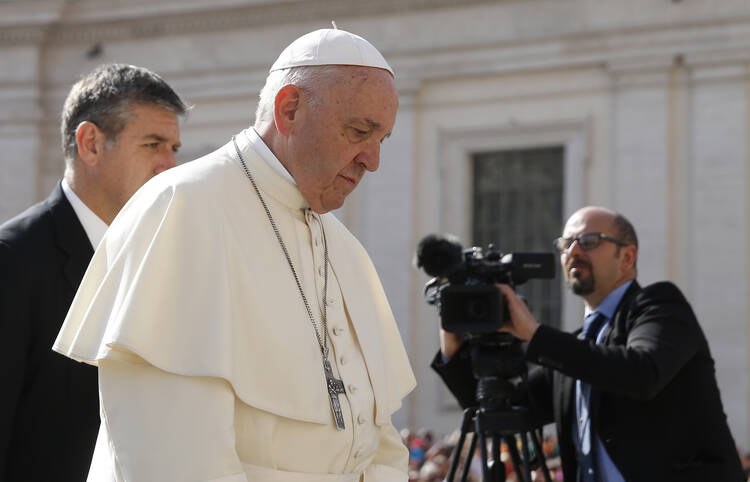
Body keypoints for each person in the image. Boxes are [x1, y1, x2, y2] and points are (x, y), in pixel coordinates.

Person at [53, 28, 415, 481]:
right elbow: (170, 455)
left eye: (382, 139)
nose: (372, 160)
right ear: (290, 110)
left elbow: (379, 442)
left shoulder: (345, 250)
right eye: (359, 131)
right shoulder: (182, 209)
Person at [432, 206, 745, 481]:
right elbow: (492, 404)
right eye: (566, 244)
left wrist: (536, 334)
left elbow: (641, 372)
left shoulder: (661, 305)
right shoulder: (576, 347)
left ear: (627, 256)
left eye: (589, 241)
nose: (574, 251)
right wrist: (453, 340)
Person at [0, 63, 186, 481]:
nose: (171, 166)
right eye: (154, 144)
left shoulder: (166, 260)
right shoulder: (11, 261)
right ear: (90, 144)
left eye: (174, 147)